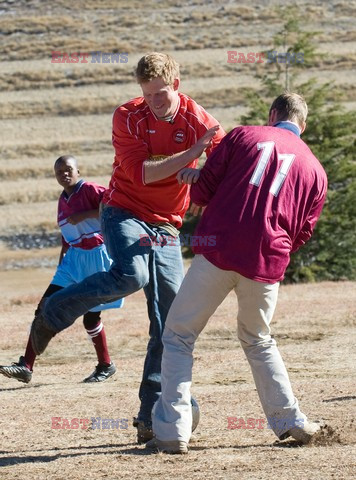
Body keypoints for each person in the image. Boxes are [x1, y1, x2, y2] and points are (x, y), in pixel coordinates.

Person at [25, 53, 226, 443]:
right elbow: (144, 174)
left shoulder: (200, 121)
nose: (153, 101)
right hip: (124, 211)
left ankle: (149, 416)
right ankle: (53, 310)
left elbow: (222, 169)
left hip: (167, 224)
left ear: (177, 85)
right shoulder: (127, 116)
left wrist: (203, 173)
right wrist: (192, 155)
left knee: (169, 321)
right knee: (131, 275)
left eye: (161, 94)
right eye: (147, 94)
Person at [147, 92, 328, 454]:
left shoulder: (244, 134)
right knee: (259, 338)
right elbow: (302, 233)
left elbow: (204, 190)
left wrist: (191, 177)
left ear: (272, 114)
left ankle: (173, 431)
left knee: (180, 334)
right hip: (266, 261)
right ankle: (289, 419)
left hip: (219, 249)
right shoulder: (317, 171)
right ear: (302, 125)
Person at [0, 155, 124, 384]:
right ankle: (25, 366)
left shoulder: (90, 189)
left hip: (97, 256)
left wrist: (85, 215)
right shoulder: (62, 199)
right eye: (59, 172)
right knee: (44, 306)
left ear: (78, 170)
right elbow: (67, 235)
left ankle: (106, 365)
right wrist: (61, 261)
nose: (64, 174)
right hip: (73, 259)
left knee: (91, 318)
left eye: (68, 169)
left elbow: (116, 209)